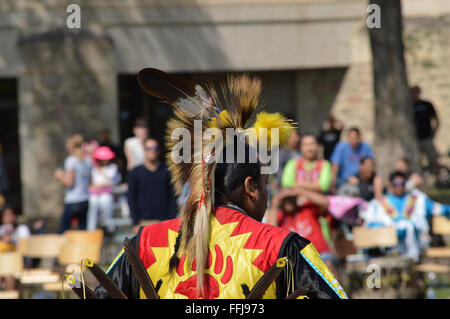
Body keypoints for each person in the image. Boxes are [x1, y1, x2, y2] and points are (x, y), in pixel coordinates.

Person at [94, 70, 347, 299]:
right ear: (250, 187)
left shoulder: (144, 243)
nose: (267, 195)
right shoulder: (281, 247)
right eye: (265, 183)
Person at [361, 171, 450, 262]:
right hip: (388, 249)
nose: (399, 186)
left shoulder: (418, 200)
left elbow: (438, 208)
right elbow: (369, 224)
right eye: (395, 184)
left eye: (402, 184)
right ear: (390, 185)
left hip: (415, 249)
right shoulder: (379, 204)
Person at [268, 187, 339, 277]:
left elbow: (325, 202)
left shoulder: (307, 210)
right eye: (286, 200)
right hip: (297, 259)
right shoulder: (280, 217)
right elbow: (271, 230)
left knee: (328, 266)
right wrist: (275, 204)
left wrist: (299, 190)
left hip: (320, 254)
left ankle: (337, 291)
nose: (289, 202)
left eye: (291, 198)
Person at [127, 138, 177, 234]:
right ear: (144, 150)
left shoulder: (167, 171)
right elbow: (131, 198)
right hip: (143, 223)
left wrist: (171, 220)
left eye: (155, 147)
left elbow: (173, 196)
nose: (152, 150)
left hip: (164, 222)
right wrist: (135, 222)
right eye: (149, 148)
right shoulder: (135, 172)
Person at [55, 134, 91, 234]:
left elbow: (69, 183)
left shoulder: (71, 161)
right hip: (85, 199)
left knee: (63, 231)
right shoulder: (87, 161)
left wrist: (60, 175)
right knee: (82, 231)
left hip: (73, 200)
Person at [87, 146, 121, 231]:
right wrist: (102, 184)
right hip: (95, 193)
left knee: (105, 201)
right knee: (93, 202)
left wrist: (101, 175)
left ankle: (109, 227)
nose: (105, 160)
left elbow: (111, 181)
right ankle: (91, 229)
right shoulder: (94, 169)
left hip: (107, 193)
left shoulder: (113, 167)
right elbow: (93, 184)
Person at [411, 86, 440, 175]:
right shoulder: (409, 106)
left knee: (433, 159)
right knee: (416, 161)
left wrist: (433, 133)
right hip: (415, 139)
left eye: (416, 92)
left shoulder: (426, 104)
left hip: (427, 137)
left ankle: (437, 178)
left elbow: (436, 120)